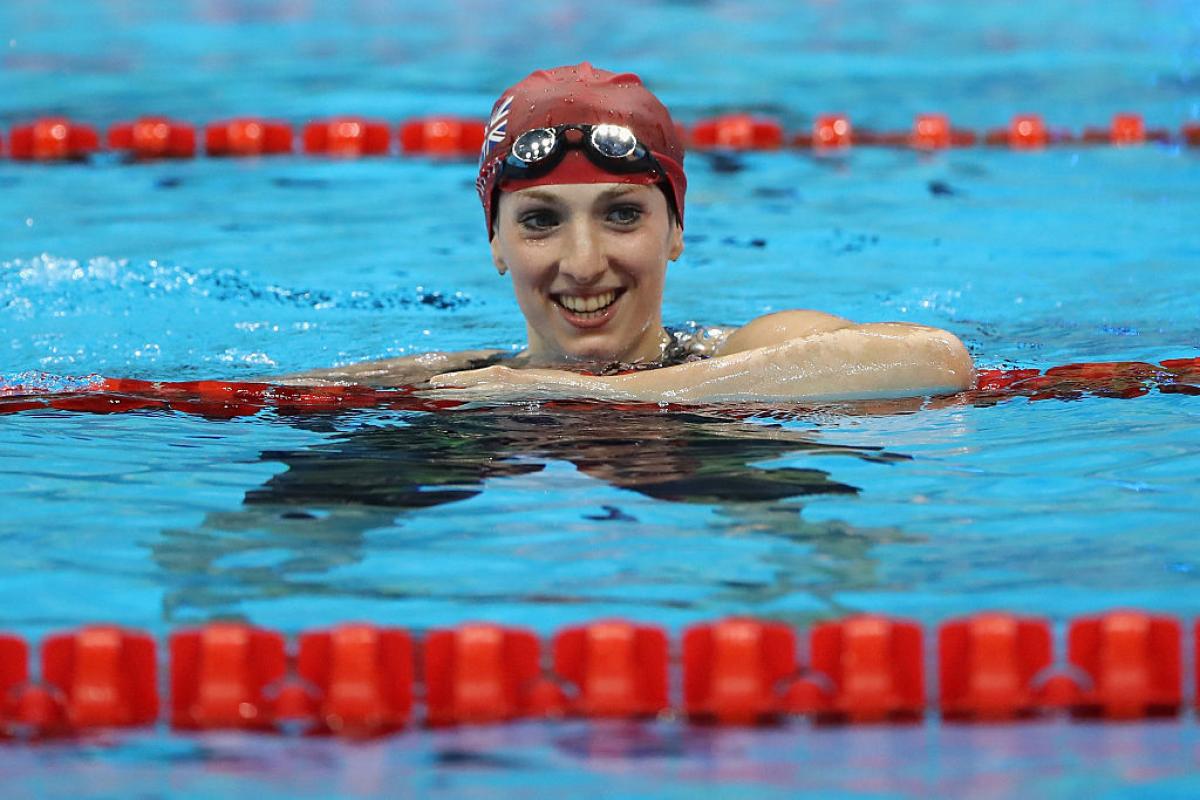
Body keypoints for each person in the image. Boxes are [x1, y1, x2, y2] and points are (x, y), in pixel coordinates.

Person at [286, 63, 973, 403]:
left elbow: (939, 362)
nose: (583, 264)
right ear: (495, 243)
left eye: (622, 213)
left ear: (676, 228)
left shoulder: (740, 355)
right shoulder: (461, 382)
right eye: (540, 221)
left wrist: (590, 394)